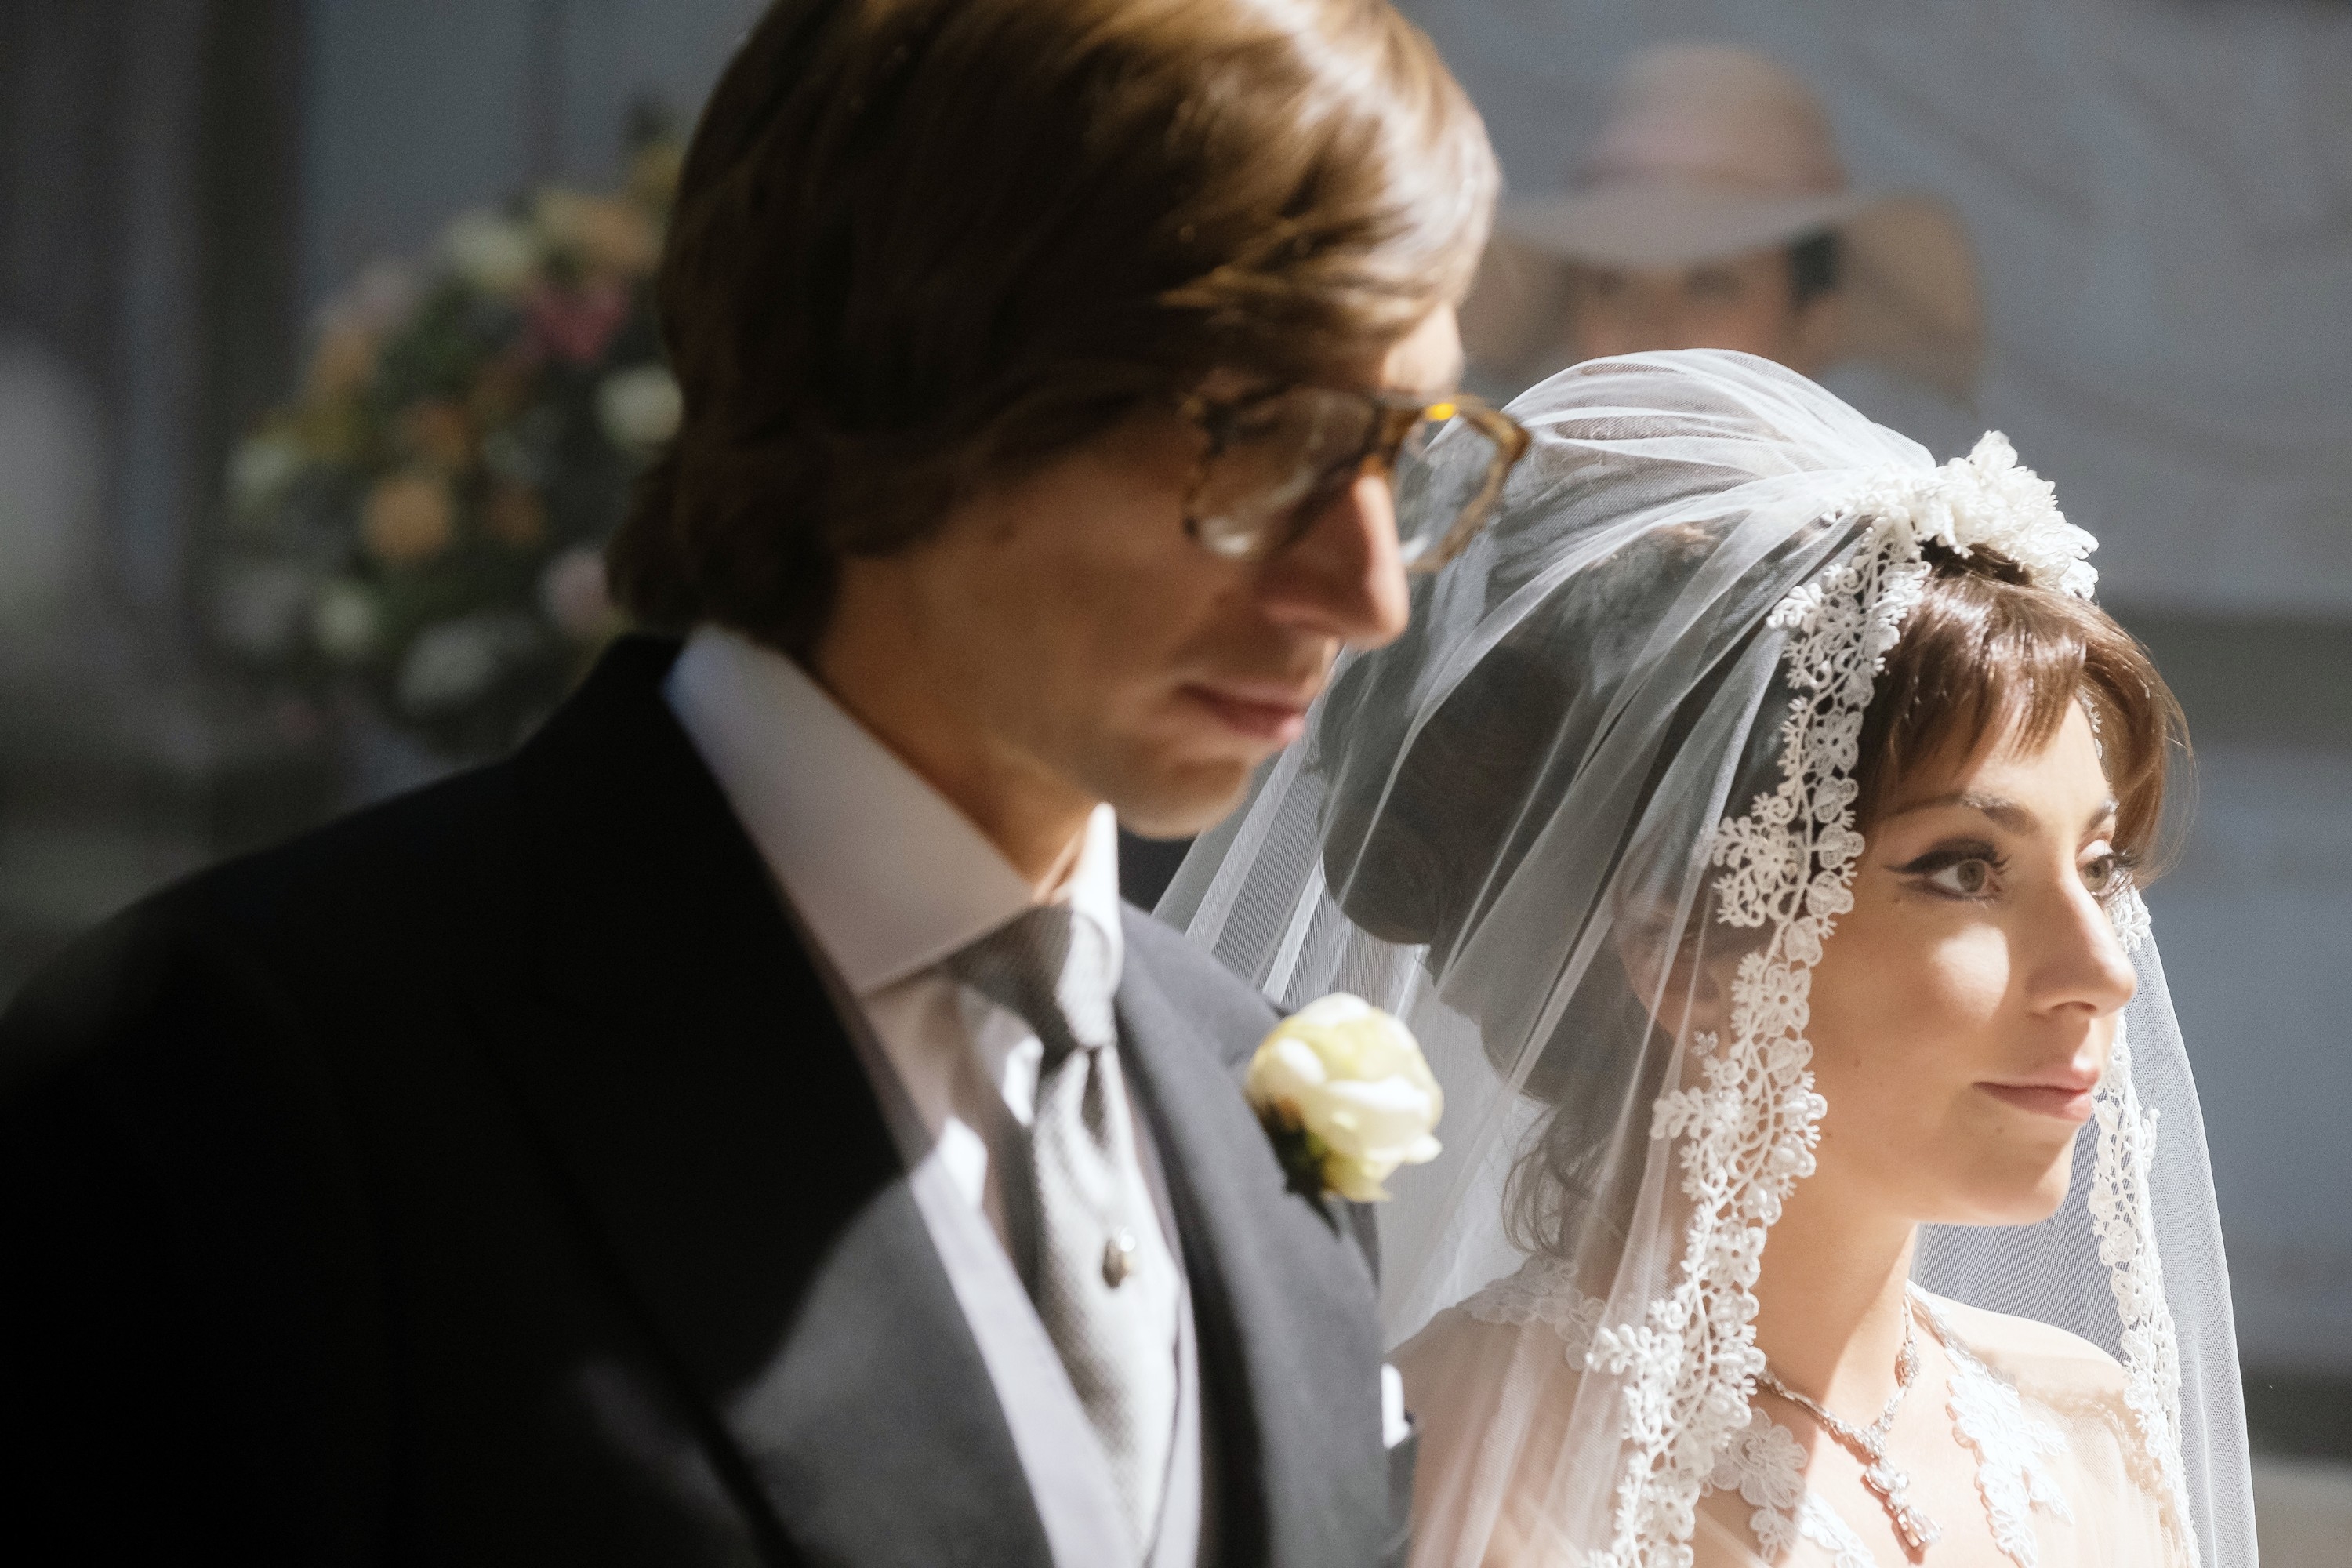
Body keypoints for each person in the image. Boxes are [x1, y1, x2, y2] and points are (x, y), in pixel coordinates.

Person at [0, 2, 1524, 1563]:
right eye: (1264, 436)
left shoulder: (1247, 1086)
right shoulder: (249, 1073)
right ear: (917, 367)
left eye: (1405, 449)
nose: (1365, 593)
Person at [1163, 350, 2259, 1565]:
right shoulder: (1453, 1469)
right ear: (1677, 947)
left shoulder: (2083, 1426)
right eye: (1963, 869)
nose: (2102, 969)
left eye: (2100, 868)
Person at [1458, 45, 1980, 405]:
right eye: (1612, 283)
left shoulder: (1874, 554)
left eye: (1711, 285)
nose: (1651, 329)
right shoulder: (1480, 538)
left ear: (1813, 326)